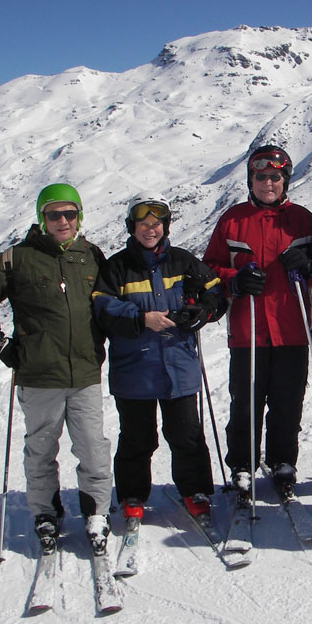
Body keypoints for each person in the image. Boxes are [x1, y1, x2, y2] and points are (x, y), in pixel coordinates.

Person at [0, 183, 113, 555]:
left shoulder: (92, 256)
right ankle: (45, 512)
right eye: (54, 214)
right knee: (41, 450)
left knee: (93, 448)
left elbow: (112, 302)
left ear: (79, 216)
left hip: (84, 372)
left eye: (70, 213)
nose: (63, 221)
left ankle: (96, 511)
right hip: (38, 374)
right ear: (41, 217)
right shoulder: (18, 258)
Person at [92, 193, 226, 524]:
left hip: (179, 365)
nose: (150, 230)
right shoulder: (117, 267)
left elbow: (216, 291)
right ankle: (132, 494)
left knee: (186, 434)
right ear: (132, 227)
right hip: (134, 369)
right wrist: (141, 319)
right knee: (137, 438)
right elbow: (103, 307)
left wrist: (203, 310)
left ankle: (195, 490)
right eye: (143, 224)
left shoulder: (182, 261)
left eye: (156, 224)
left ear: (165, 227)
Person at [202, 144, 312, 501]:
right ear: (251, 180)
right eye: (261, 176)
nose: (268, 183)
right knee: (246, 402)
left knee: (287, 403)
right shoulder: (233, 220)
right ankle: (242, 464)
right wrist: (234, 280)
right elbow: (210, 268)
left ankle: (283, 461)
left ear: (285, 181)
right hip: (248, 330)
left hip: (291, 328)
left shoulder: (303, 220)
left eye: (275, 177)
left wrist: (308, 265)